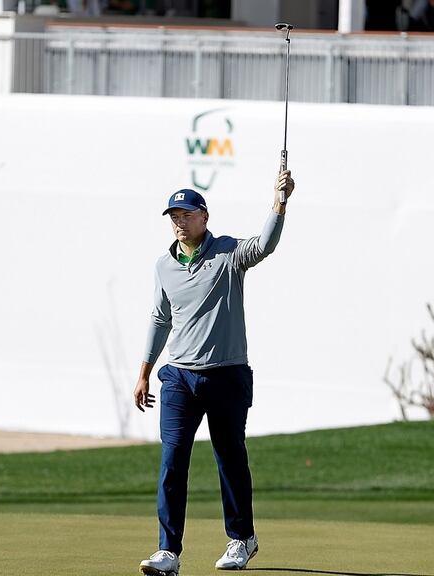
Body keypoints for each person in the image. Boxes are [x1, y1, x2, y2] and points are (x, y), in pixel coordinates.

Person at [134, 170, 295, 576]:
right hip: (178, 379)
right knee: (173, 461)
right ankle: (168, 552)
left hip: (226, 376)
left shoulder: (228, 254)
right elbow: (159, 317)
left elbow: (265, 245)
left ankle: (242, 539)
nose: (178, 221)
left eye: (186, 214)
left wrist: (279, 202)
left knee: (229, 458)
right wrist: (144, 371)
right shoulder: (163, 266)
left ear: (204, 216)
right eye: (173, 215)